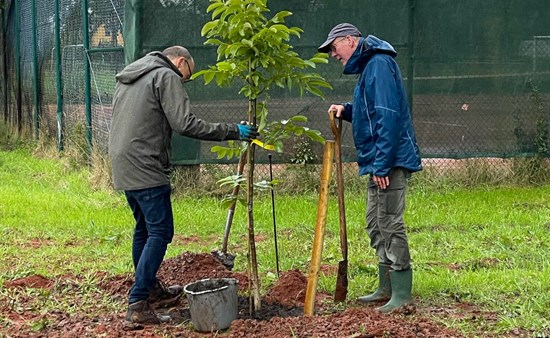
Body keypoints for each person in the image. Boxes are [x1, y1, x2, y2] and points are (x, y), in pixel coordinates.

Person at [108, 46, 259, 325]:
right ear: (180, 61)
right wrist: (231, 131)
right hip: (146, 163)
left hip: (123, 161)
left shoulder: (133, 74)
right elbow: (184, 123)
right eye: (187, 75)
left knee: (144, 227)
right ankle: (138, 302)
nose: (185, 81)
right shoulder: (165, 75)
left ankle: (149, 288)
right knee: (161, 231)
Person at [318, 23, 422, 313]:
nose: (333, 55)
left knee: (389, 222)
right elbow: (371, 110)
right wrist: (347, 110)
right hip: (379, 160)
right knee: (375, 223)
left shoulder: (378, 64)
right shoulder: (370, 66)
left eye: (334, 48)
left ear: (350, 40)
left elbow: (387, 117)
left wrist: (382, 164)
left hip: (387, 161)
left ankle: (401, 293)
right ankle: (385, 286)